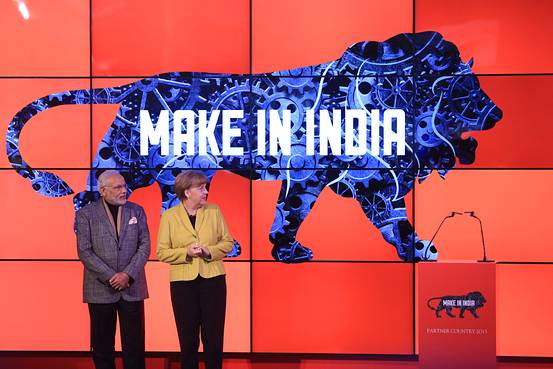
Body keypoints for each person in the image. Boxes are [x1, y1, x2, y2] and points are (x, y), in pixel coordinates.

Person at [157, 170, 233, 369]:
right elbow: (162, 252)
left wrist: (209, 251)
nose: (206, 192)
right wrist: (186, 252)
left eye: (205, 187)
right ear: (187, 192)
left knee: (213, 337)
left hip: (213, 280)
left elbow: (228, 243)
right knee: (188, 338)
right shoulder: (169, 216)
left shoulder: (214, 210)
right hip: (183, 283)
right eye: (201, 188)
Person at [75, 170, 150, 369]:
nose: (124, 191)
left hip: (132, 288)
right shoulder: (85, 214)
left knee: (134, 346)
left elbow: (145, 246)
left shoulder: (137, 211)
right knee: (102, 346)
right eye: (118, 187)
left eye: (124, 186)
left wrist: (127, 275)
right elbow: (84, 251)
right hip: (100, 289)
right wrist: (111, 276)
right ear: (102, 190)